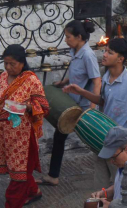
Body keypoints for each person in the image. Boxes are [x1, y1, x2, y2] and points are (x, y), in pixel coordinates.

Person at [64, 38, 127, 190]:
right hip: (102, 138)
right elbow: (103, 101)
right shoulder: (106, 76)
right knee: (100, 186)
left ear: (120, 59)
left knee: (123, 187)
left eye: (110, 52)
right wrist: (81, 91)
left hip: (121, 145)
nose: (104, 55)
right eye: (105, 51)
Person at [0, 44, 49, 208]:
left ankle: (12, 203)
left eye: (12, 64)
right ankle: (33, 191)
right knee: (17, 168)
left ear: (22, 63)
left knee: (19, 174)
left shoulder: (31, 80)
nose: (8, 68)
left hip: (23, 135)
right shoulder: (3, 77)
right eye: (6, 64)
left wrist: (27, 106)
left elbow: (44, 107)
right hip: (5, 131)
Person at [38, 20, 101, 186]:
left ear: (79, 37)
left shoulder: (88, 55)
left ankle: (119, 167)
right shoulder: (76, 50)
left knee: (98, 140)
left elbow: (96, 81)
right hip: (71, 106)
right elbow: (78, 75)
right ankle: (53, 175)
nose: (66, 40)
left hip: (84, 108)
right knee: (60, 136)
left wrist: (92, 110)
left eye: (68, 37)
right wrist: (63, 82)